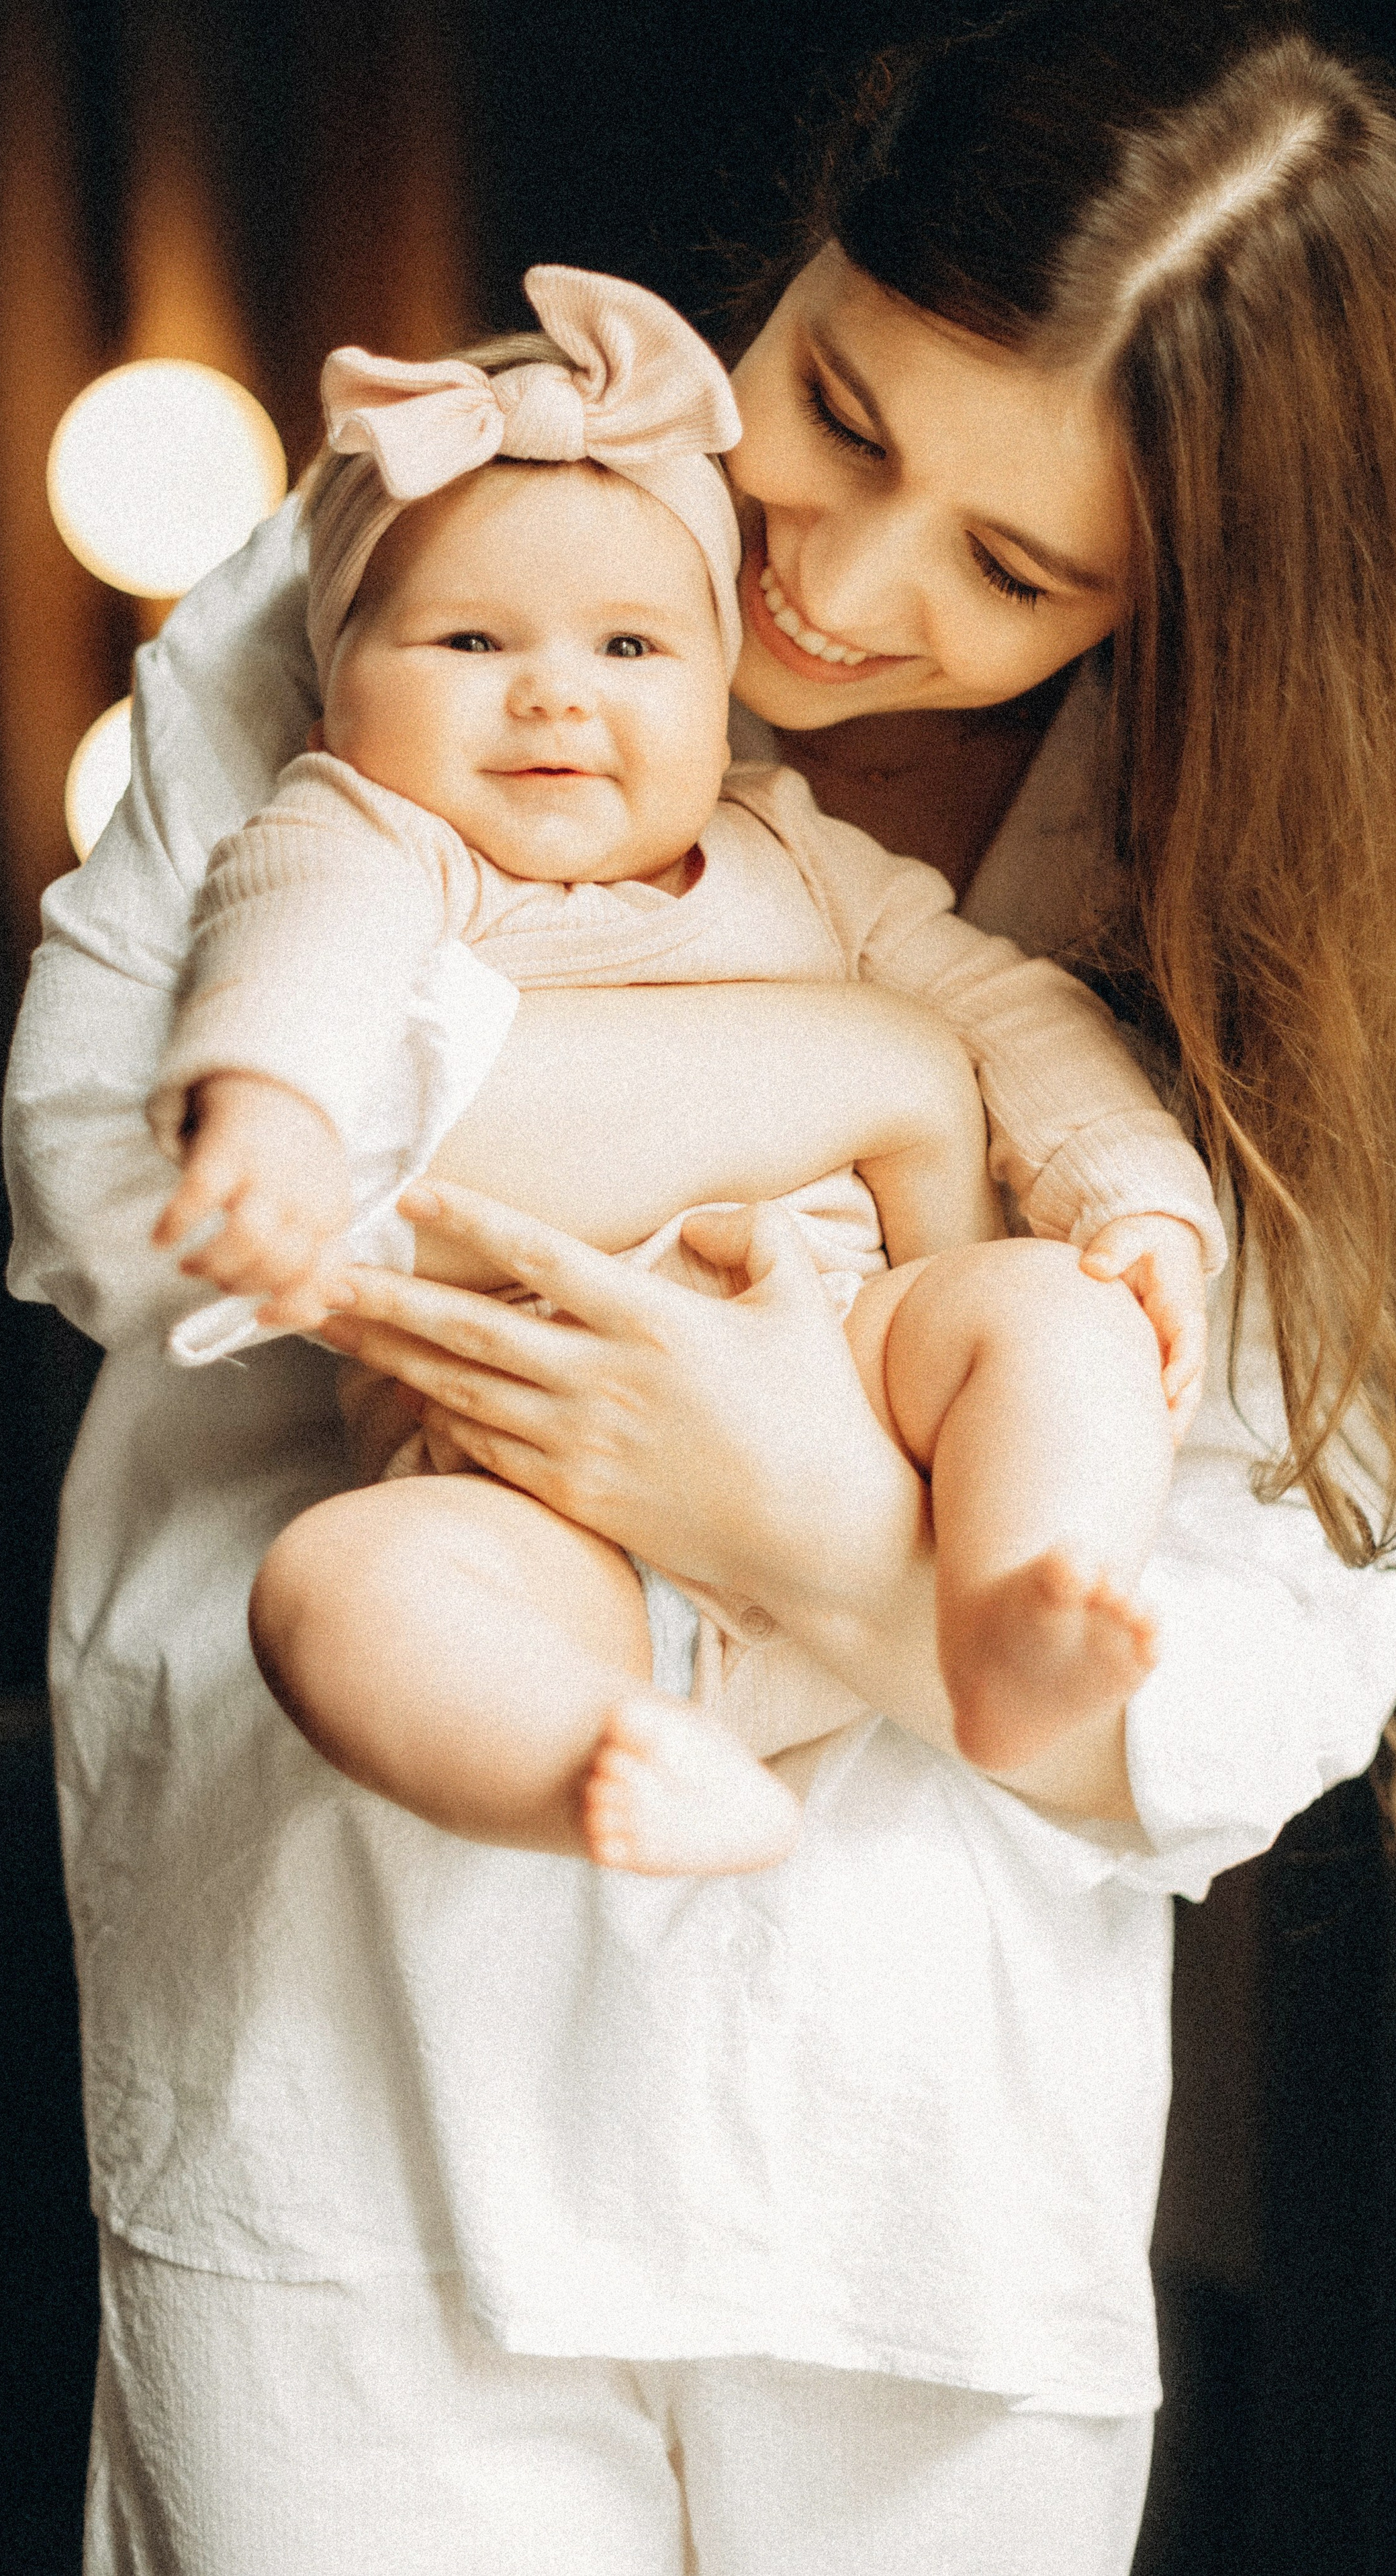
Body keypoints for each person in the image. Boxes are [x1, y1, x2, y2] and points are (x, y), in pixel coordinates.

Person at [2, 8, 1396, 2571]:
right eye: (836, 404)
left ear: (1191, 602)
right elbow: (109, 1174)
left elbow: (1250, 1673)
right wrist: (878, 1086)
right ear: (797, 257)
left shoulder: (1287, 885)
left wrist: (827, 1532)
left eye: (1016, 568)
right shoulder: (468, 520)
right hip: (358, 2085)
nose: (833, 573)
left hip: (905, 2175)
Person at [148, 266, 1223, 1878]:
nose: (556, 692)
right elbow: (293, 940)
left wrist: (1139, 1203)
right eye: (467, 638)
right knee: (332, 1588)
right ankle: (595, 1750)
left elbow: (1003, 1017)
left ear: (713, 693)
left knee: (1057, 1319)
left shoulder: (792, 852)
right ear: (341, 678)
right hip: (522, 1490)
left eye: (632, 643)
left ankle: (1015, 1609)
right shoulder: (373, 838)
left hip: (859, 1392)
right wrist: (272, 1113)